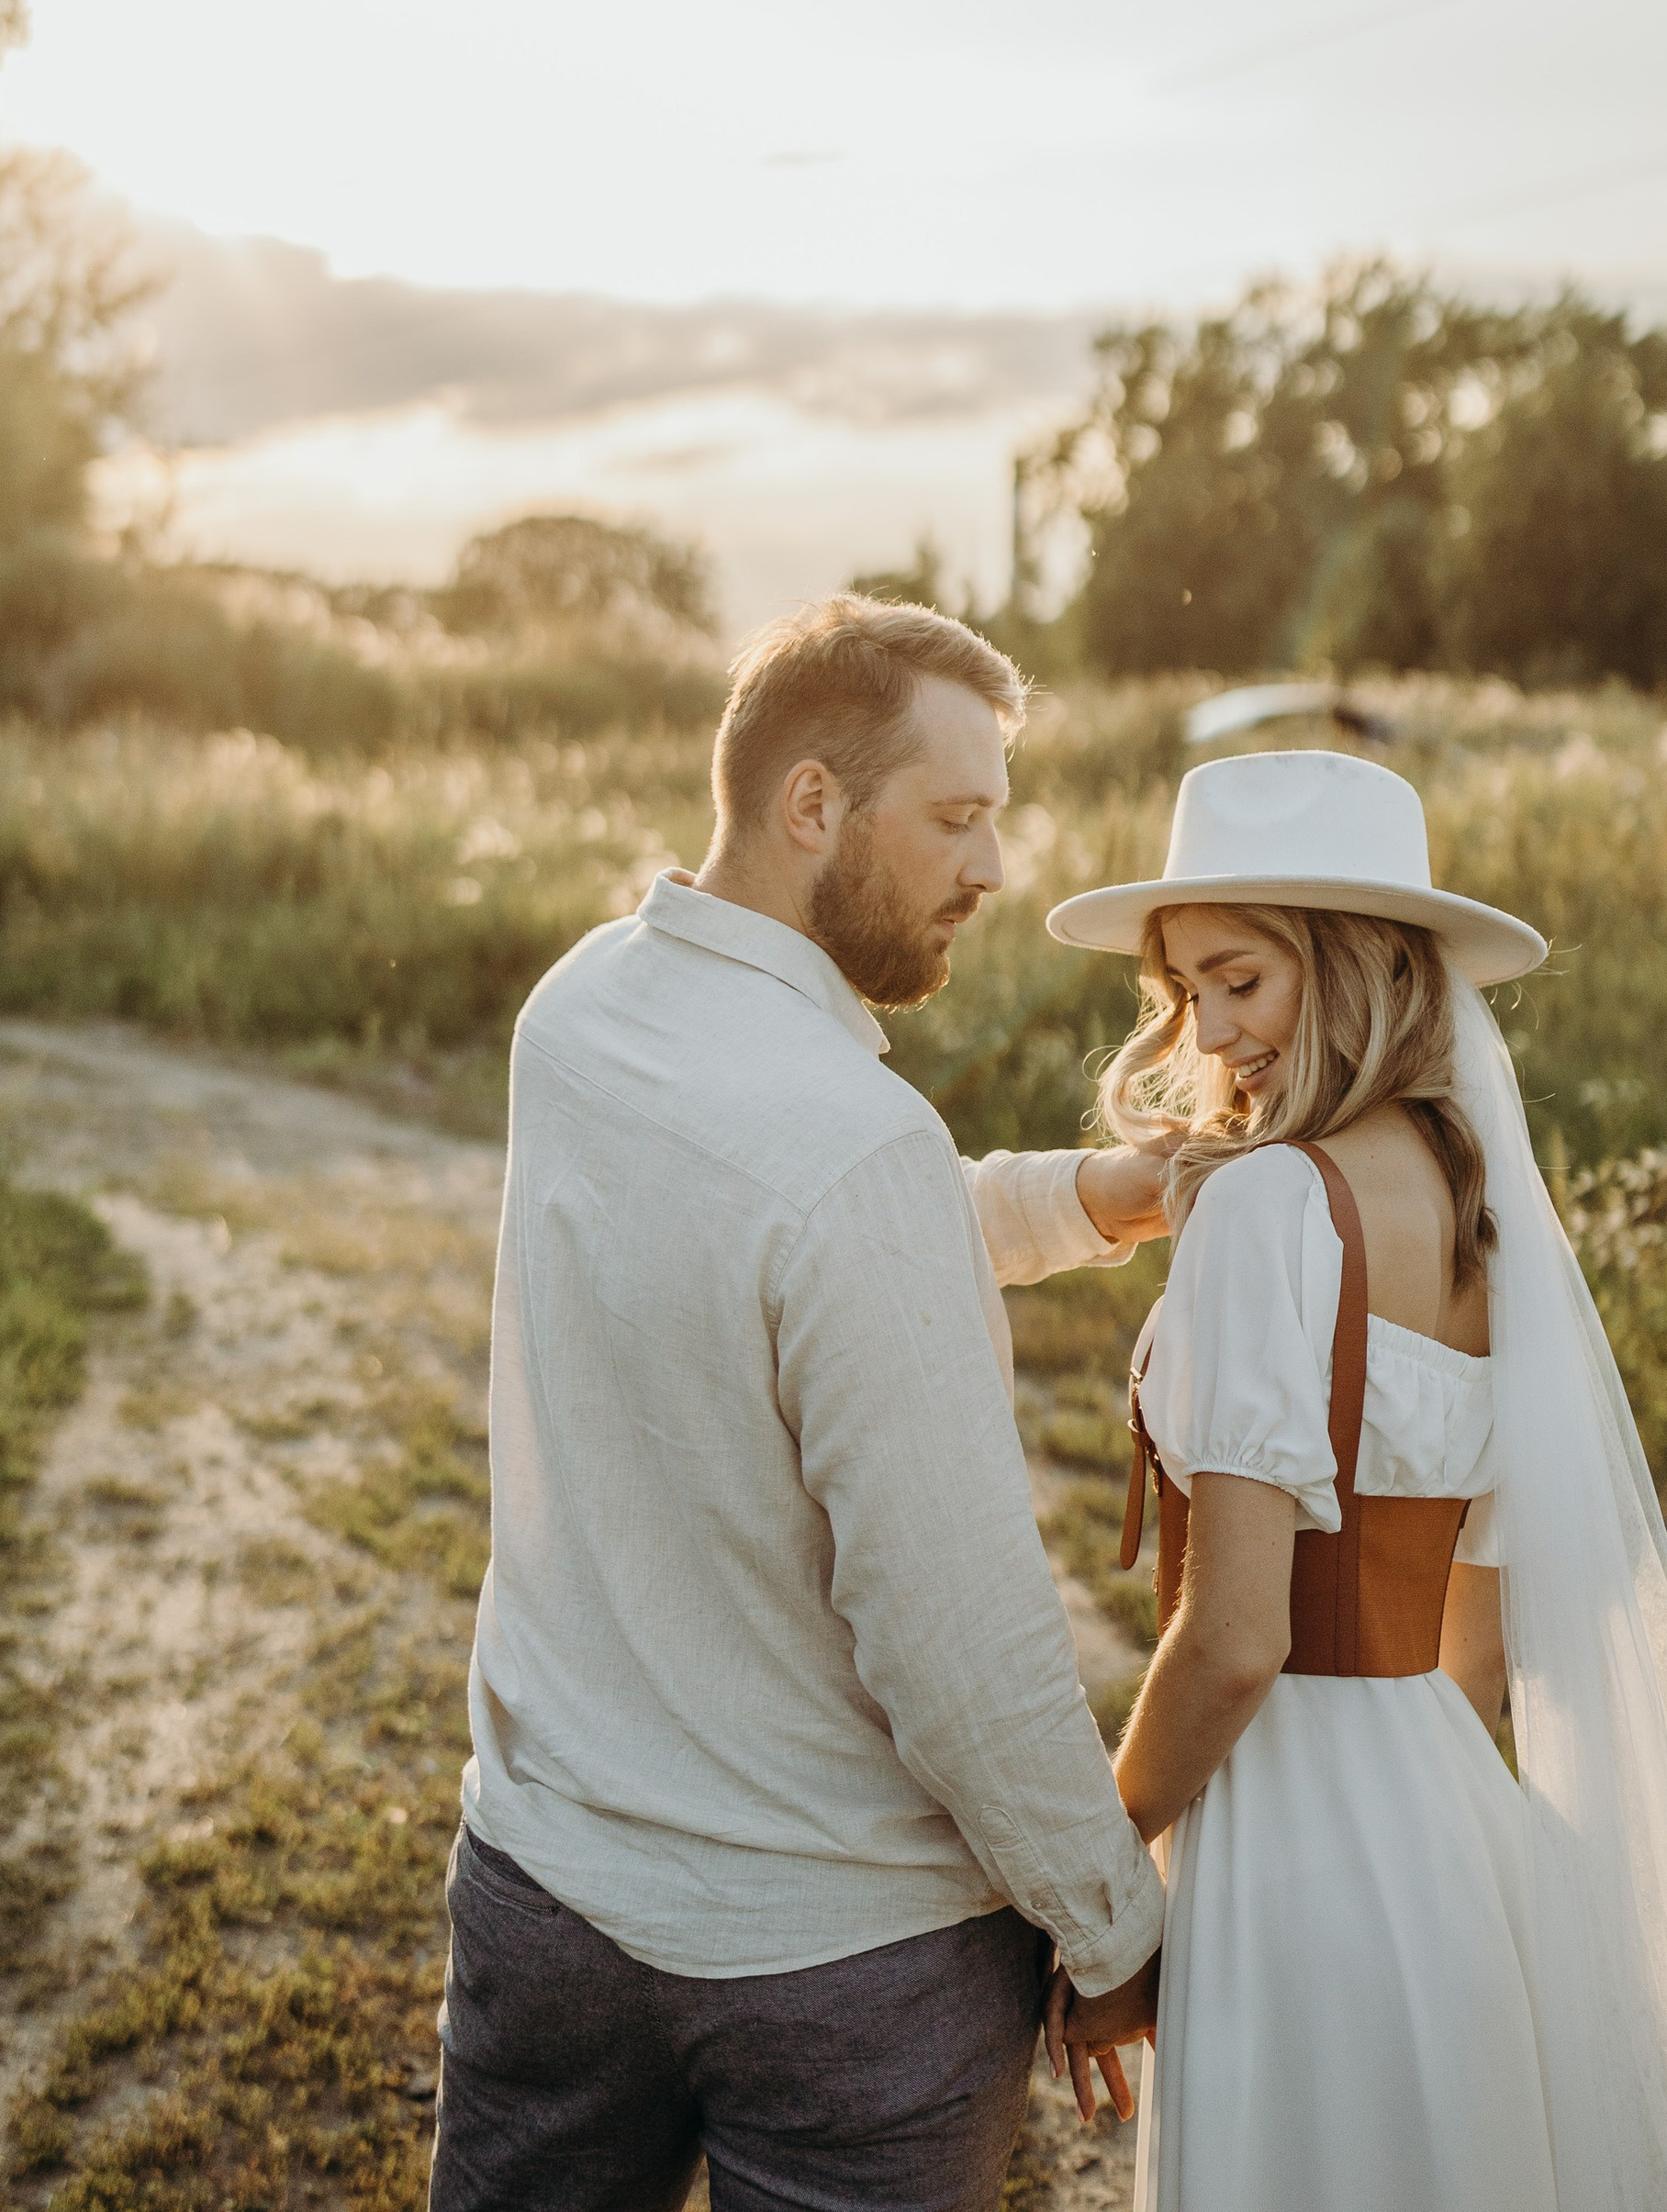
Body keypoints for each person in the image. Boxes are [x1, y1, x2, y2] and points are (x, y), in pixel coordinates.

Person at [1041, 748, 1667, 2212]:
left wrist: (1096, 1891)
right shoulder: (1479, 1210)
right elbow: (1475, 1645)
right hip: (1450, 1846)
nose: (1208, 1033)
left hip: (1289, 1860)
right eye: (1182, 991)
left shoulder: (1267, 1206)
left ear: (1357, 965)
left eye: (1240, 980)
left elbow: (1234, 1641)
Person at [432, 594, 1167, 2212]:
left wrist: (1083, 1197)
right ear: (812, 804)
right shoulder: (853, 1149)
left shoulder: (580, 1012)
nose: (993, 868)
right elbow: (957, 1642)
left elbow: (759, 1234)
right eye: (956, 820)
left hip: (545, 1899)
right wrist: (1111, 1924)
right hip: (847, 1977)